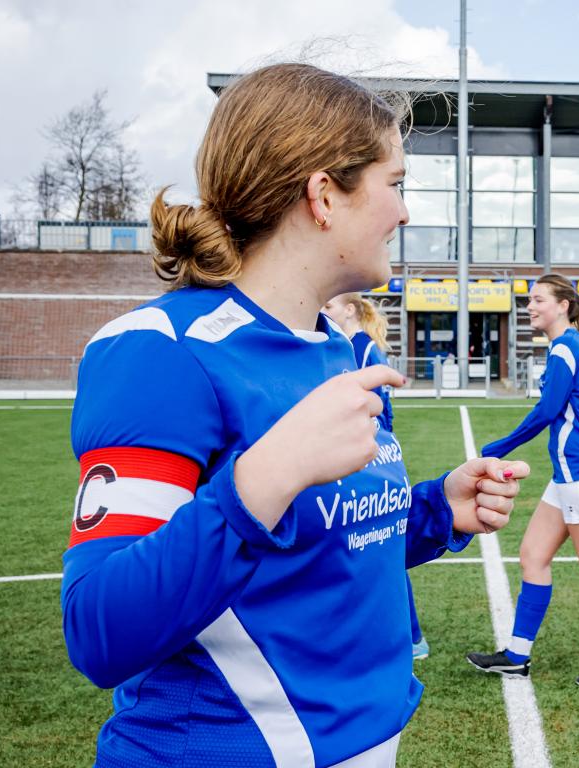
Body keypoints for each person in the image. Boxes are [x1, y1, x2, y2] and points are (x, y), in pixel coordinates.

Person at [62, 63, 530, 767]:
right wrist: (262, 479)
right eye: (394, 184)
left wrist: (438, 511)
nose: (405, 212)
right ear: (323, 196)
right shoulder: (160, 352)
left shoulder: (335, 346)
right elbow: (99, 630)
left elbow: (325, 544)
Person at [466, 274, 579, 689]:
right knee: (533, 555)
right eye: (529, 300)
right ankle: (516, 656)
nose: (530, 306)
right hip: (570, 474)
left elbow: (547, 411)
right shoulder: (577, 345)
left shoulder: (566, 347)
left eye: (538, 299)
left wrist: (497, 448)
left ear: (562, 305)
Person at [323, 292, 430, 661]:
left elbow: (382, 409)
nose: (325, 313)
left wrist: (379, 451)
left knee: (383, 542)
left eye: (331, 307)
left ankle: (413, 636)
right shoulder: (343, 345)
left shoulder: (364, 347)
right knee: (367, 543)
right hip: (358, 452)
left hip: (369, 455)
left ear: (350, 310)